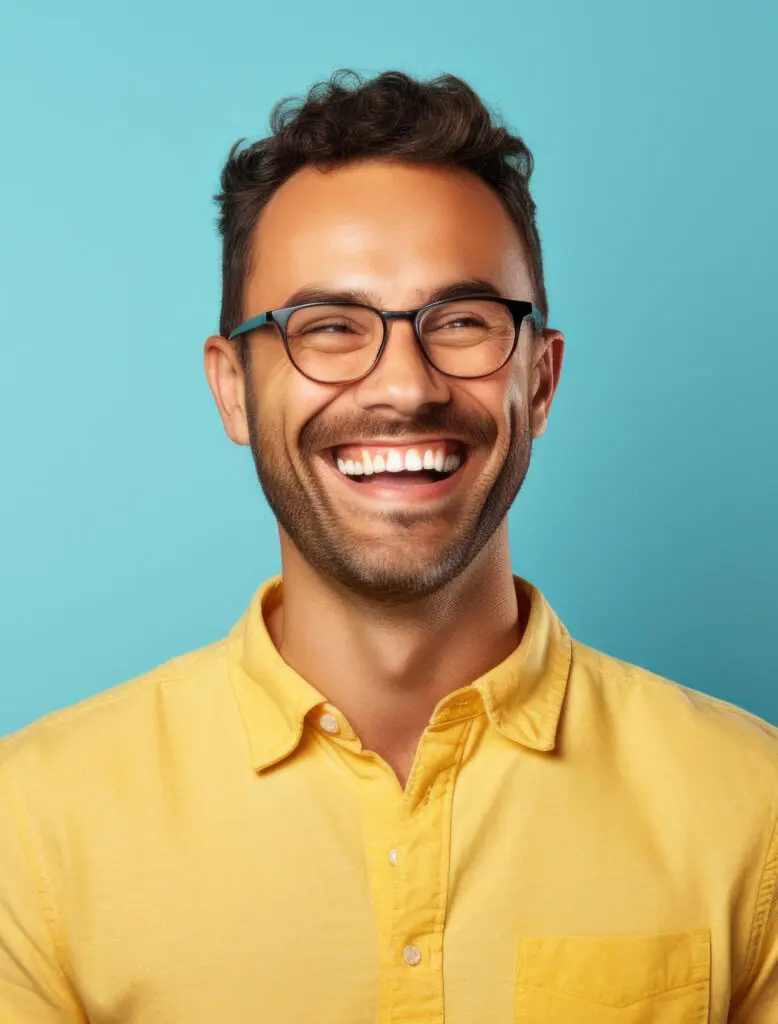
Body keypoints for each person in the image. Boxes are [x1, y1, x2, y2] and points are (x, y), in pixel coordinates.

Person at [1, 68, 776, 1024]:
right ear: (234, 388)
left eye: (461, 322)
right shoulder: (29, 828)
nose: (404, 386)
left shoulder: (754, 808)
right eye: (327, 327)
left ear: (540, 379)